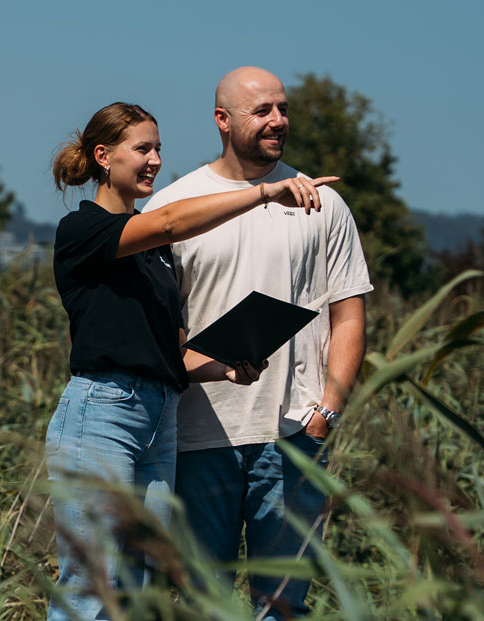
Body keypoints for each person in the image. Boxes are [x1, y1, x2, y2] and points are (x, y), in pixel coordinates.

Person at [46, 101, 338, 621]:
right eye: (143, 149)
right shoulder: (84, 230)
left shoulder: (154, 257)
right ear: (103, 156)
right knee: (96, 577)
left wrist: (224, 365)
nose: (155, 160)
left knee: (143, 580)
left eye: (159, 148)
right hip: (104, 412)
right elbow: (175, 221)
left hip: (161, 417)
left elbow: (167, 355)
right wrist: (266, 192)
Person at [142, 67, 372, 618]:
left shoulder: (324, 204)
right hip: (199, 436)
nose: (278, 121)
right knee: (205, 601)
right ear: (222, 120)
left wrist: (328, 413)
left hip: (293, 436)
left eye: (283, 108)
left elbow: (349, 317)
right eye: (262, 111)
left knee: (284, 606)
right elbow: (155, 333)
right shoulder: (172, 208)